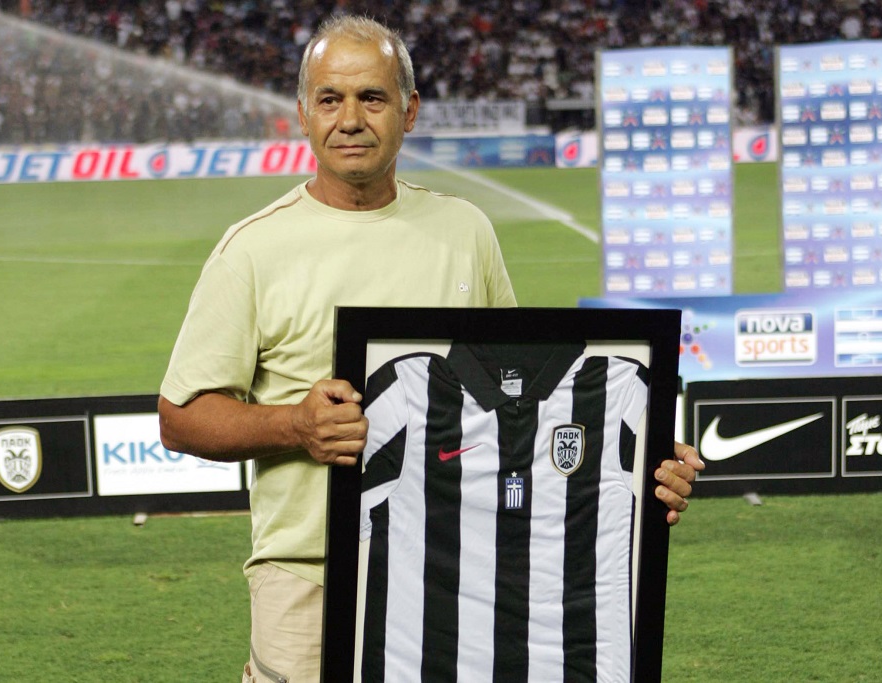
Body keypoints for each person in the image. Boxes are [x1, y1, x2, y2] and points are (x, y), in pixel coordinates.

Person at [158, 14, 704, 683]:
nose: (350, 119)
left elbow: (525, 406)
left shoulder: (464, 231)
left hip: (456, 576)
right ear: (303, 114)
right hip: (309, 578)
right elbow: (180, 418)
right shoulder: (251, 250)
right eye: (329, 99)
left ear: (409, 111)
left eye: (372, 98)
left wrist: (643, 466)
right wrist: (294, 424)